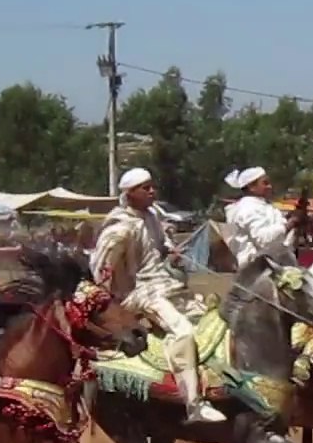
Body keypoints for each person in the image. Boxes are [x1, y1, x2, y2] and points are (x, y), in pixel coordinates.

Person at [91, 168, 227, 424]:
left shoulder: (152, 217)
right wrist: (114, 307)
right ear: (129, 194)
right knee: (183, 331)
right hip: (139, 295)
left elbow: (159, 246)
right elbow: (100, 269)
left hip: (166, 286)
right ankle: (193, 404)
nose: (152, 191)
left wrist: (170, 251)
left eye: (152, 186)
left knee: (211, 320)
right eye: (145, 188)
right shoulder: (119, 228)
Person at [222, 166, 298, 267]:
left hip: (274, 264)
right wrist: (289, 224)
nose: (270, 187)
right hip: (257, 269)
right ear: (251, 187)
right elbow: (263, 240)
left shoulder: (263, 206)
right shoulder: (247, 209)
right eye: (265, 183)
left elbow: (281, 242)